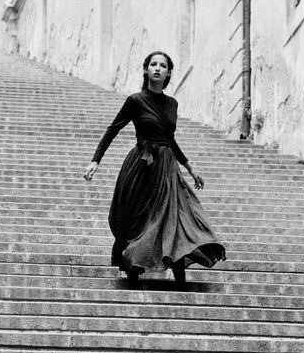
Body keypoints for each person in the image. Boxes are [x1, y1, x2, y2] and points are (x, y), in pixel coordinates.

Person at [84, 51, 226, 288]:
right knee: (141, 219)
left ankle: (179, 273)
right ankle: (133, 268)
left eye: (162, 65)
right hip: (142, 166)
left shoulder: (172, 104)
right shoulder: (135, 101)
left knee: (177, 215)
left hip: (167, 168)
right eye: (153, 64)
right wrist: (95, 160)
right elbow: (112, 130)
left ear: (168, 73)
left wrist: (189, 168)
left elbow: (169, 138)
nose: (157, 68)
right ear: (146, 70)